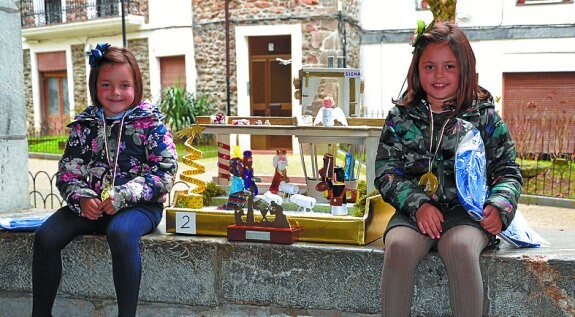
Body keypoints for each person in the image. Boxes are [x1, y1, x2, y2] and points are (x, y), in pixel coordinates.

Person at [374, 22, 522, 317]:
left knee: (460, 248)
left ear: (464, 69)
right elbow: (387, 172)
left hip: (468, 213)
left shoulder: (485, 116)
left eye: (449, 66)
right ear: (417, 69)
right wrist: (418, 205)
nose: (439, 75)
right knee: (400, 247)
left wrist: (499, 206)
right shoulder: (400, 117)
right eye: (429, 66)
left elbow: (507, 170)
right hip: (415, 212)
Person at [32, 43, 178, 317]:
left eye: (125, 85)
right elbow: (68, 169)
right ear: (95, 87)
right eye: (106, 85)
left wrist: (123, 195)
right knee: (45, 236)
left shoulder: (151, 123)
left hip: (139, 207)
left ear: (136, 85)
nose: (116, 93)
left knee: (120, 233)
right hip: (92, 206)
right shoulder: (84, 124)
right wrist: (83, 197)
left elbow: (165, 171)